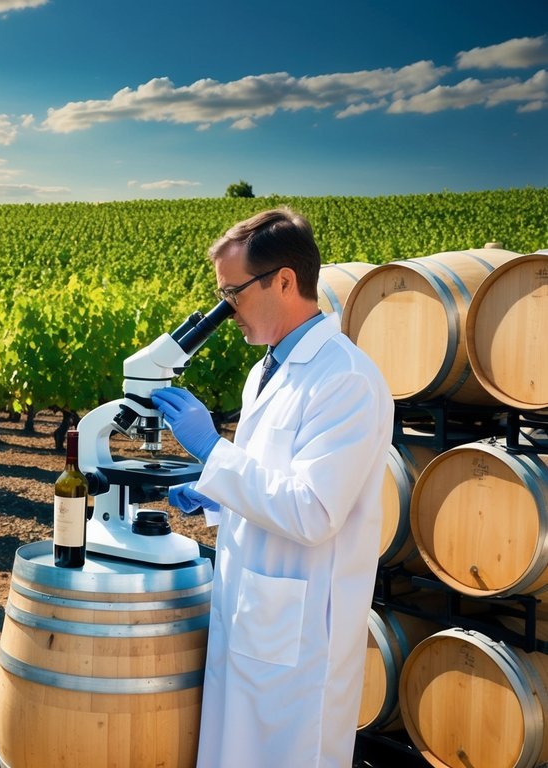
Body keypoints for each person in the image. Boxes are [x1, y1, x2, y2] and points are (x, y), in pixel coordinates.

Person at [149, 207, 393, 768]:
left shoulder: (344, 378)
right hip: (257, 614)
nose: (224, 309)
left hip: (299, 641)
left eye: (232, 292)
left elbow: (312, 510)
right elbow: (274, 475)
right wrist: (213, 489)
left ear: (284, 280)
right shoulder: (267, 368)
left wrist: (213, 451)